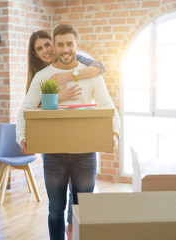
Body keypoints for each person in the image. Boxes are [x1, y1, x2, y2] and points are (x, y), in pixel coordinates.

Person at [16, 24, 121, 240]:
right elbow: (25, 110)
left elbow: (109, 108)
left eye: (69, 44)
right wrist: (22, 136)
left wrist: (115, 133)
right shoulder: (43, 77)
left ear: (77, 45)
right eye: (60, 45)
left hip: (86, 154)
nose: (65, 50)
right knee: (56, 209)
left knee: (82, 208)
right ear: (55, 47)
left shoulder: (92, 75)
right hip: (54, 154)